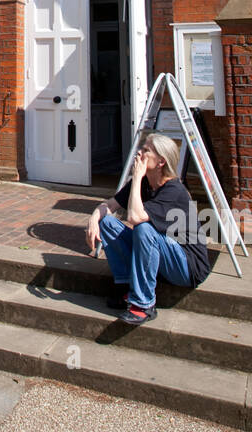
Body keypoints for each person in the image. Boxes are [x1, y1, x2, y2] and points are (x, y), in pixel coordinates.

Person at [84, 133, 211, 325]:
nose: (139, 153)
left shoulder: (174, 191)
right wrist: (94, 218)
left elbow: (134, 218)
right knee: (107, 223)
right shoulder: (145, 183)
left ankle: (144, 305)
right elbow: (110, 205)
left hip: (186, 265)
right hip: (160, 256)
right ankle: (127, 286)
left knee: (144, 228)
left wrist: (136, 177)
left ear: (160, 162)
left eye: (145, 150)